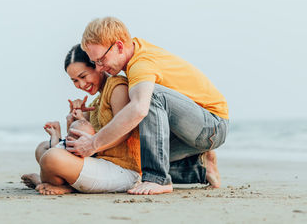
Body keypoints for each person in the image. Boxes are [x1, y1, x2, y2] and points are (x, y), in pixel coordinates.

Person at [66, 17, 229, 195]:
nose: (99, 68)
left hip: (211, 126)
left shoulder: (141, 64)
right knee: (133, 157)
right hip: (185, 130)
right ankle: (200, 167)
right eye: (95, 62)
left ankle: (158, 179)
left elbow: (139, 109)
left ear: (119, 47)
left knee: (148, 96)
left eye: (101, 60)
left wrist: (93, 143)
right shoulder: (134, 52)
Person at [21, 44, 142, 195]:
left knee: (50, 158)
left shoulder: (117, 87)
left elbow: (124, 131)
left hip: (123, 170)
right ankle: (58, 181)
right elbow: (77, 144)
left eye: (83, 76)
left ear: (97, 66)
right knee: (42, 148)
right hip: (99, 162)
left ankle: (47, 182)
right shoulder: (95, 103)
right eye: (75, 80)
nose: (82, 85)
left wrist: (92, 144)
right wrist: (74, 120)